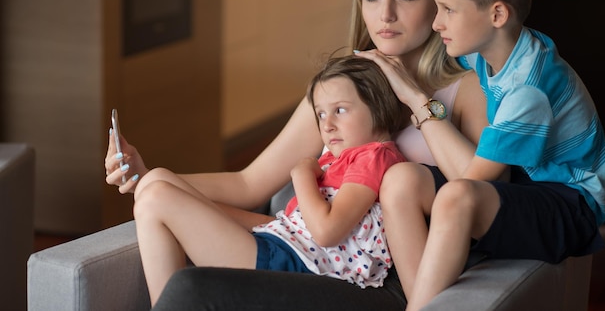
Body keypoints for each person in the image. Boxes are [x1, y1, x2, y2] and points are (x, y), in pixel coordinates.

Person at [104, 0, 488, 310]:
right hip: (306, 244)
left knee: (189, 288)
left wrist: (413, 95)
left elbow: (482, 192)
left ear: (439, 2)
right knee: (154, 187)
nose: (385, 14)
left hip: (377, 273)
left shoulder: (465, 89)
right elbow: (248, 183)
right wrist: (142, 174)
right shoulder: (338, 89)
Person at [398, 0, 605, 311]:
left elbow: (473, 179)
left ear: (497, 15)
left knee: (457, 196)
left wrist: (417, 101)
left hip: (571, 202)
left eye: (448, 9)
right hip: (532, 183)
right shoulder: (493, 51)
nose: (436, 23)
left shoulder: (527, 91)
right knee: (407, 177)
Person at [132, 55, 411, 303]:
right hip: (286, 245)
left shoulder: (373, 156)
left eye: (340, 110)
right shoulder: (339, 159)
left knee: (156, 199)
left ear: (378, 107)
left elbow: (326, 231)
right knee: (156, 184)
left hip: (296, 264)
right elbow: (296, 225)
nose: (327, 125)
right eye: (321, 114)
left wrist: (301, 174)